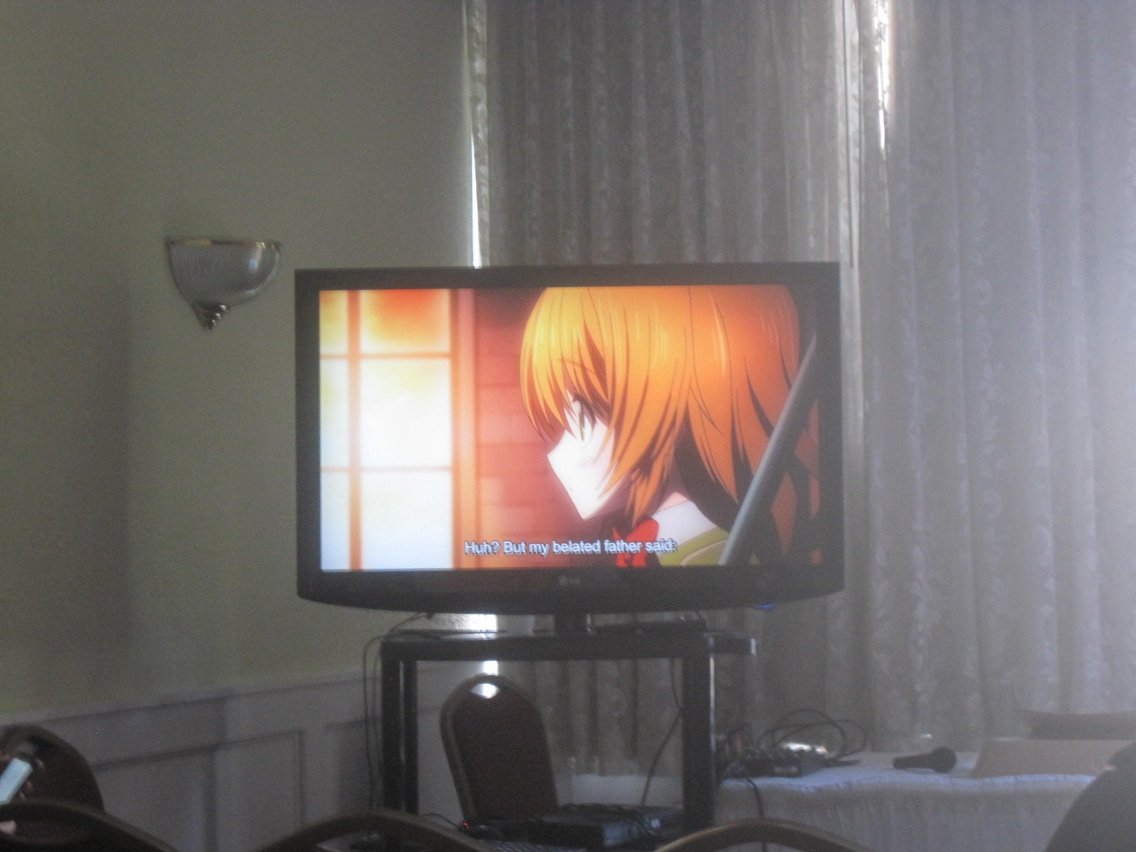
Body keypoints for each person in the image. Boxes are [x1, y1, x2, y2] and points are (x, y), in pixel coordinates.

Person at [519, 283, 818, 568]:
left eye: (585, 414)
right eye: (559, 423)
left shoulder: (703, 554)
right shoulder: (655, 538)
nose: (558, 457)